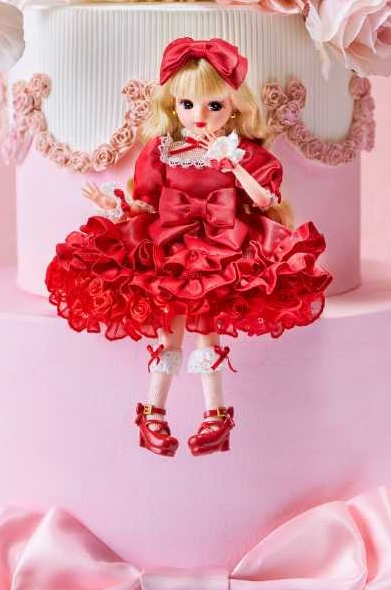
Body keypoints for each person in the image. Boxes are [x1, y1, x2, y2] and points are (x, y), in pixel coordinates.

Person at [46, 36, 331, 457]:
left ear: (234, 107)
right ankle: (152, 416)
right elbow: (145, 202)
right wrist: (115, 206)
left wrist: (234, 165)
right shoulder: (163, 152)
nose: (200, 116)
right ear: (173, 106)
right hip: (168, 245)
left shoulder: (240, 154)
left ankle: (216, 418)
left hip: (223, 247)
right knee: (169, 336)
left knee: (207, 336)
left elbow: (264, 200)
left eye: (213, 105)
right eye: (188, 104)